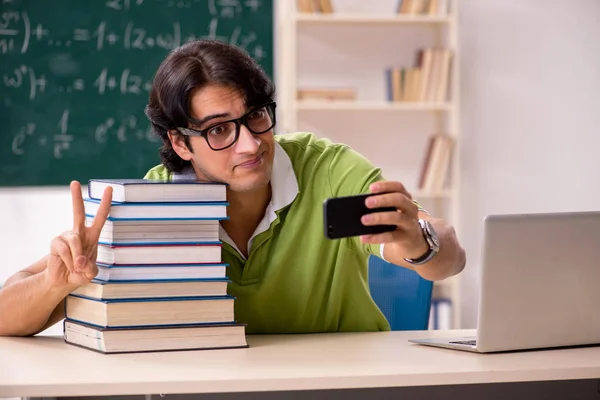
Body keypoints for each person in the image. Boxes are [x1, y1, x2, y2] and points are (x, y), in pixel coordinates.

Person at [0, 40, 466, 337]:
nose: (250, 144)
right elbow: (5, 315)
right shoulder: (151, 201)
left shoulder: (328, 168)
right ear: (180, 143)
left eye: (256, 116)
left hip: (344, 384)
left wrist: (418, 242)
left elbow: (450, 256)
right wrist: (55, 284)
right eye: (220, 130)